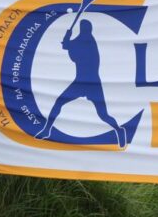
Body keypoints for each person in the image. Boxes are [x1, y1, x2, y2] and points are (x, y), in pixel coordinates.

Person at [35, 17, 126, 147]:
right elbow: (69, 47)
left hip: (93, 83)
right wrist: (67, 40)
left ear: (88, 30)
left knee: (103, 115)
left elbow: (74, 55)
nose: (83, 30)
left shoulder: (89, 42)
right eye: (82, 28)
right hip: (79, 81)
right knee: (59, 103)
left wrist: (67, 41)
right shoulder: (80, 40)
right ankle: (47, 130)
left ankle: (119, 130)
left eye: (85, 28)